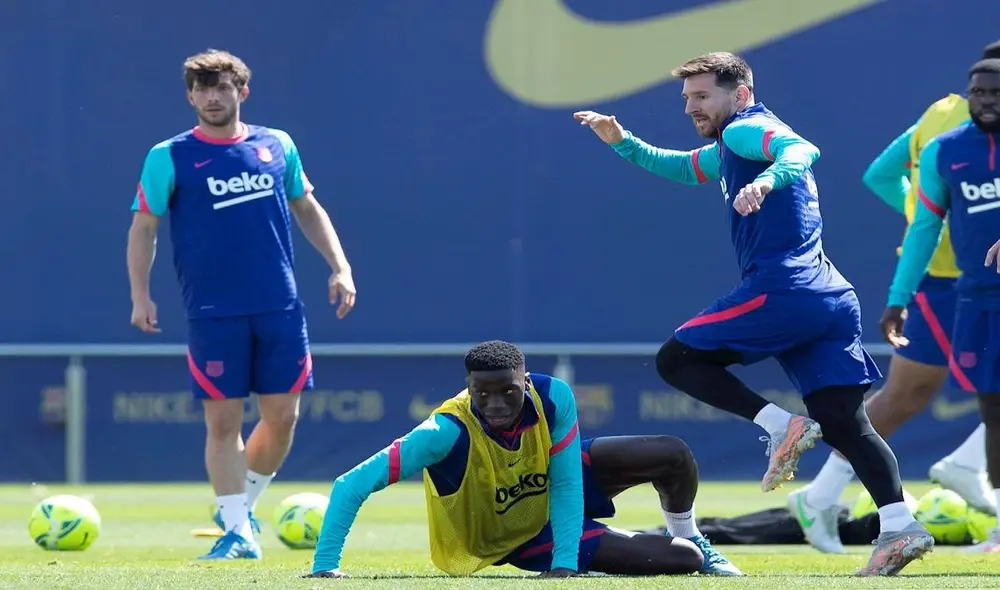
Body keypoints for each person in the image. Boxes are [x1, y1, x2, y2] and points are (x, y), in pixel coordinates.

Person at [574, 51, 933, 576]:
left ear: (738, 94)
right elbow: (681, 166)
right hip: (830, 297)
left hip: (786, 289)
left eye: (702, 96)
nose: (691, 107)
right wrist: (623, 143)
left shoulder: (748, 129)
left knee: (676, 360)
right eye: (687, 98)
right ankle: (900, 525)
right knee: (846, 423)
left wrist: (767, 182)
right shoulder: (730, 145)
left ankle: (781, 425)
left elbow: (801, 149)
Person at [125, 49, 357, 560]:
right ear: (189, 96)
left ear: (241, 92)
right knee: (223, 422)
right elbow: (144, 227)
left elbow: (306, 205)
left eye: (221, 87)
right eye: (201, 88)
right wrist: (140, 295)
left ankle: (240, 508)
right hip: (213, 312)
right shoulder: (170, 155)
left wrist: (339, 266)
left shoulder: (277, 145)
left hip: (279, 306)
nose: (211, 96)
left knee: (283, 418)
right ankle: (237, 531)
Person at [789, 40, 1000, 554]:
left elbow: (881, 174)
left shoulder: (945, 109)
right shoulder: (949, 121)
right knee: (906, 394)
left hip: (957, 276)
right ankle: (823, 494)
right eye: (982, 87)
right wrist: (929, 215)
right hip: (949, 277)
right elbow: (895, 182)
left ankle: (968, 469)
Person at [305, 340, 741, 578]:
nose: (495, 403)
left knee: (672, 453)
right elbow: (350, 484)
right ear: (468, 387)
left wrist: (566, 569)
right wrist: (324, 569)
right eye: (482, 393)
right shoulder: (443, 433)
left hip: (548, 486)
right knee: (685, 561)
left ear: (525, 381)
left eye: (507, 391)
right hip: (511, 536)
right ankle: (652, 544)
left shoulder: (552, 397)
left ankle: (694, 534)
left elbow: (568, 482)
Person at [882, 57, 1000, 553]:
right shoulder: (945, 151)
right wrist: (898, 299)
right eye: (978, 92)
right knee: (994, 412)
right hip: (977, 299)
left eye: (995, 93)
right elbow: (924, 230)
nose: (986, 101)